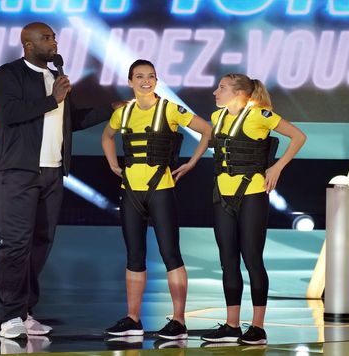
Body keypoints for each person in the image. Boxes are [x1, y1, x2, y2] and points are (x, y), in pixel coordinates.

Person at [0, 22, 119, 339]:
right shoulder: (8, 75)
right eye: (46, 38)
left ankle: (25, 311)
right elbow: (9, 114)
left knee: (40, 244)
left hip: (52, 171)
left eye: (54, 37)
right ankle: (9, 317)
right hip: (17, 171)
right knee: (16, 244)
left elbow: (71, 122)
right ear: (28, 44)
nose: (54, 42)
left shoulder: (54, 79)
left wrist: (111, 109)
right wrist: (53, 97)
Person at [101, 59, 212, 340]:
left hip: (160, 190)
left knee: (170, 254)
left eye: (150, 76)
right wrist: (114, 165)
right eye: (139, 76)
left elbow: (207, 130)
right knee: (134, 256)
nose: (145, 81)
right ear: (130, 81)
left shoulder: (170, 109)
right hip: (131, 192)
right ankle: (133, 319)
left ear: (156, 79)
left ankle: (178, 321)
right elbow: (107, 137)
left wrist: (191, 163)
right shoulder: (123, 113)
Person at [200, 74, 306, 345]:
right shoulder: (217, 118)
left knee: (252, 259)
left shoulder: (260, 115)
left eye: (221, 88)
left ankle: (257, 328)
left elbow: (298, 136)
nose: (215, 92)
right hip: (222, 196)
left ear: (239, 93)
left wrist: (277, 167)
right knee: (228, 261)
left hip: (252, 195)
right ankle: (231, 325)